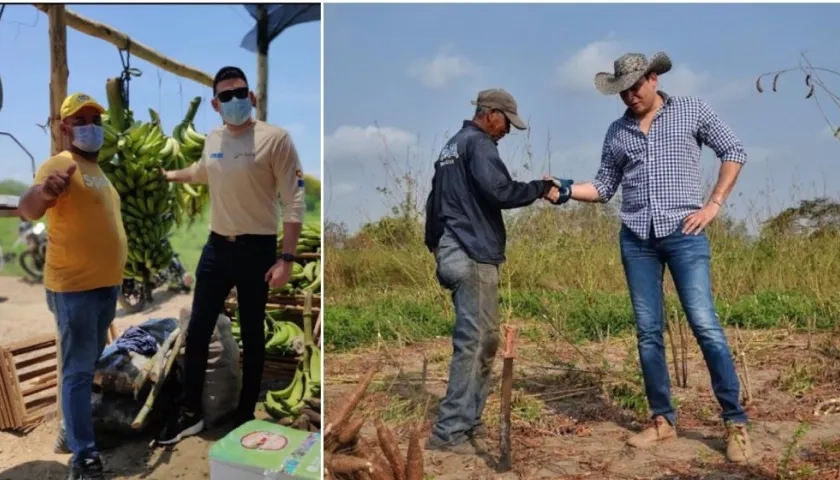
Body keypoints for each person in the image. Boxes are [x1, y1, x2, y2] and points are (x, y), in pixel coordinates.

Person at [554, 52, 753, 463]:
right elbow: (606, 186)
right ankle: (662, 420)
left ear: (653, 78)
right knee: (648, 333)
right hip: (637, 239)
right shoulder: (617, 132)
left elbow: (734, 150)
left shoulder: (690, 110)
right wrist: (567, 189)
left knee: (705, 325)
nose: (629, 96)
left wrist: (713, 204)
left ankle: (735, 421)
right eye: (622, 91)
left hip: (685, 232)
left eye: (635, 87)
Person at [157, 66, 305, 445]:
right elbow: (204, 171)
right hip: (216, 246)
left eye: (240, 93)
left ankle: (244, 412)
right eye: (226, 96)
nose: (235, 101)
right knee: (199, 327)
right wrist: (170, 176)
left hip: (257, 249)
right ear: (215, 103)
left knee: (253, 333)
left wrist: (286, 260)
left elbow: (294, 202)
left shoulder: (276, 140)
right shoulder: (213, 139)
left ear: (251, 97)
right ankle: (190, 411)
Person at [423, 88, 560, 454]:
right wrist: (540, 188)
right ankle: (450, 432)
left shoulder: (451, 147)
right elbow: (500, 191)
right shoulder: (479, 144)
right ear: (491, 114)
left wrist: (437, 245)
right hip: (472, 252)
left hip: (453, 248)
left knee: (479, 339)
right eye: (507, 123)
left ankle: (467, 423)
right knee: (477, 343)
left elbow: (433, 202)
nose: (507, 132)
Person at [18, 92, 128, 480]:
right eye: (81, 121)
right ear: (65, 128)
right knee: (78, 370)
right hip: (75, 288)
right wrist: (44, 193)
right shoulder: (59, 164)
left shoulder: (97, 169)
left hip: (104, 287)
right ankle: (83, 458)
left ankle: (71, 432)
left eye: (95, 119)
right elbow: (28, 206)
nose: (91, 126)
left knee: (86, 362)